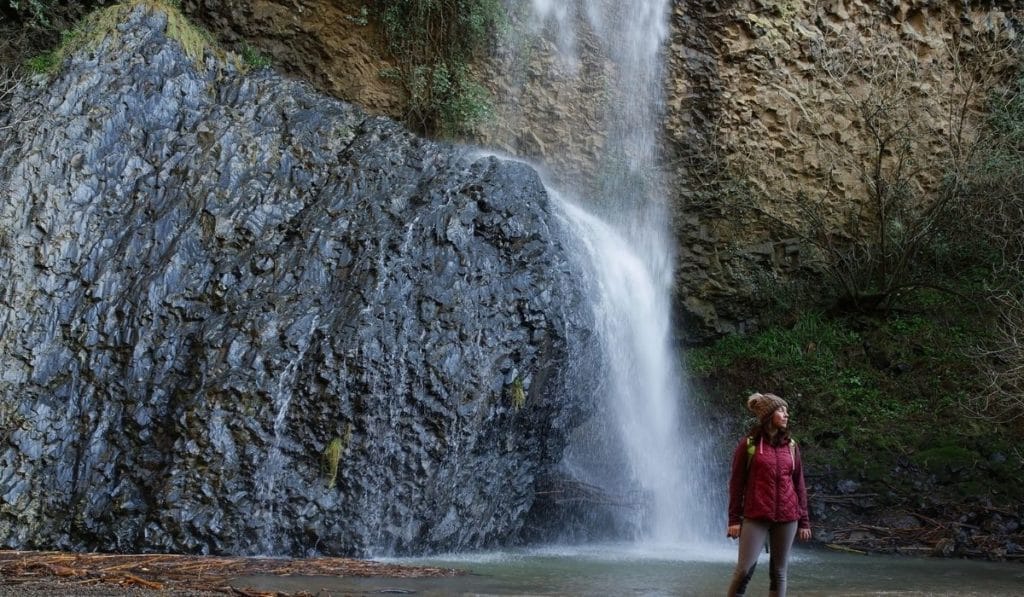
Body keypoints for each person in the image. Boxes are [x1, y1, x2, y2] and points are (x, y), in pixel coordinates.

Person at [726, 392, 811, 597]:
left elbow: (799, 484)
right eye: (781, 410)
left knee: (779, 572)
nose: (786, 415)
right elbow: (736, 484)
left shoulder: (791, 447)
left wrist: (804, 521)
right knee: (743, 569)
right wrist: (734, 520)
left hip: (788, 516)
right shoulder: (749, 445)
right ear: (769, 415)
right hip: (756, 515)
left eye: (786, 411)